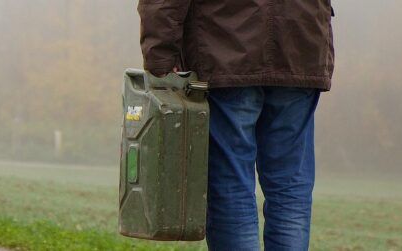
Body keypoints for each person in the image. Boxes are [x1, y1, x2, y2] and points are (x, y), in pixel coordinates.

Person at [139, 1, 334, 250]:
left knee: (231, 184)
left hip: (225, 44)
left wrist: (160, 56)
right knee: (290, 186)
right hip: (302, 41)